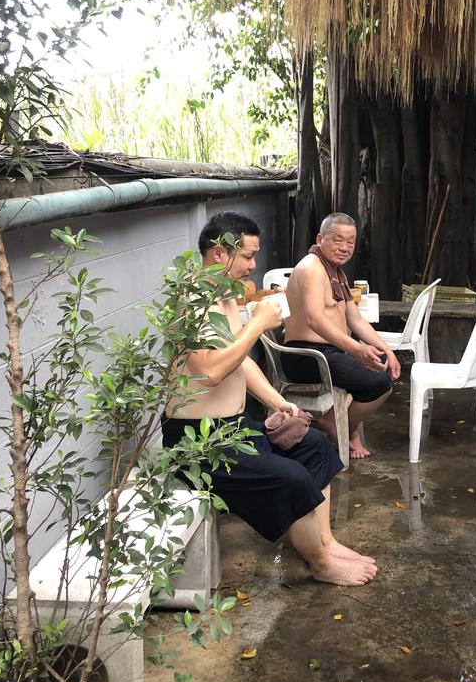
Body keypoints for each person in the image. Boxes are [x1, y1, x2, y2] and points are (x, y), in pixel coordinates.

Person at [161, 211, 376, 586]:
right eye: (247, 256)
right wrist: (256, 325)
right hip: (198, 441)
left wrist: (279, 402)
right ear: (218, 254)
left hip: (231, 429)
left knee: (314, 446)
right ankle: (320, 563)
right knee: (291, 476)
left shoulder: (224, 296)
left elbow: (241, 364)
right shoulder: (190, 303)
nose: (253, 265)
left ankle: (324, 541)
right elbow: (209, 373)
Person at [282, 213, 400, 460]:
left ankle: (341, 423)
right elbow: (314, 319)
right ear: (320, 239)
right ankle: (336, 424)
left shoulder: (336, 271)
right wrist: (357, 350)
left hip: (332, 352)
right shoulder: (312, 268)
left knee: (384, 370)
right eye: (337, 240)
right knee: (378, 383)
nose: (344, 247)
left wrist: (386, 350)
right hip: (307, 356)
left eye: (350, 241)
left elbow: (355, 319)